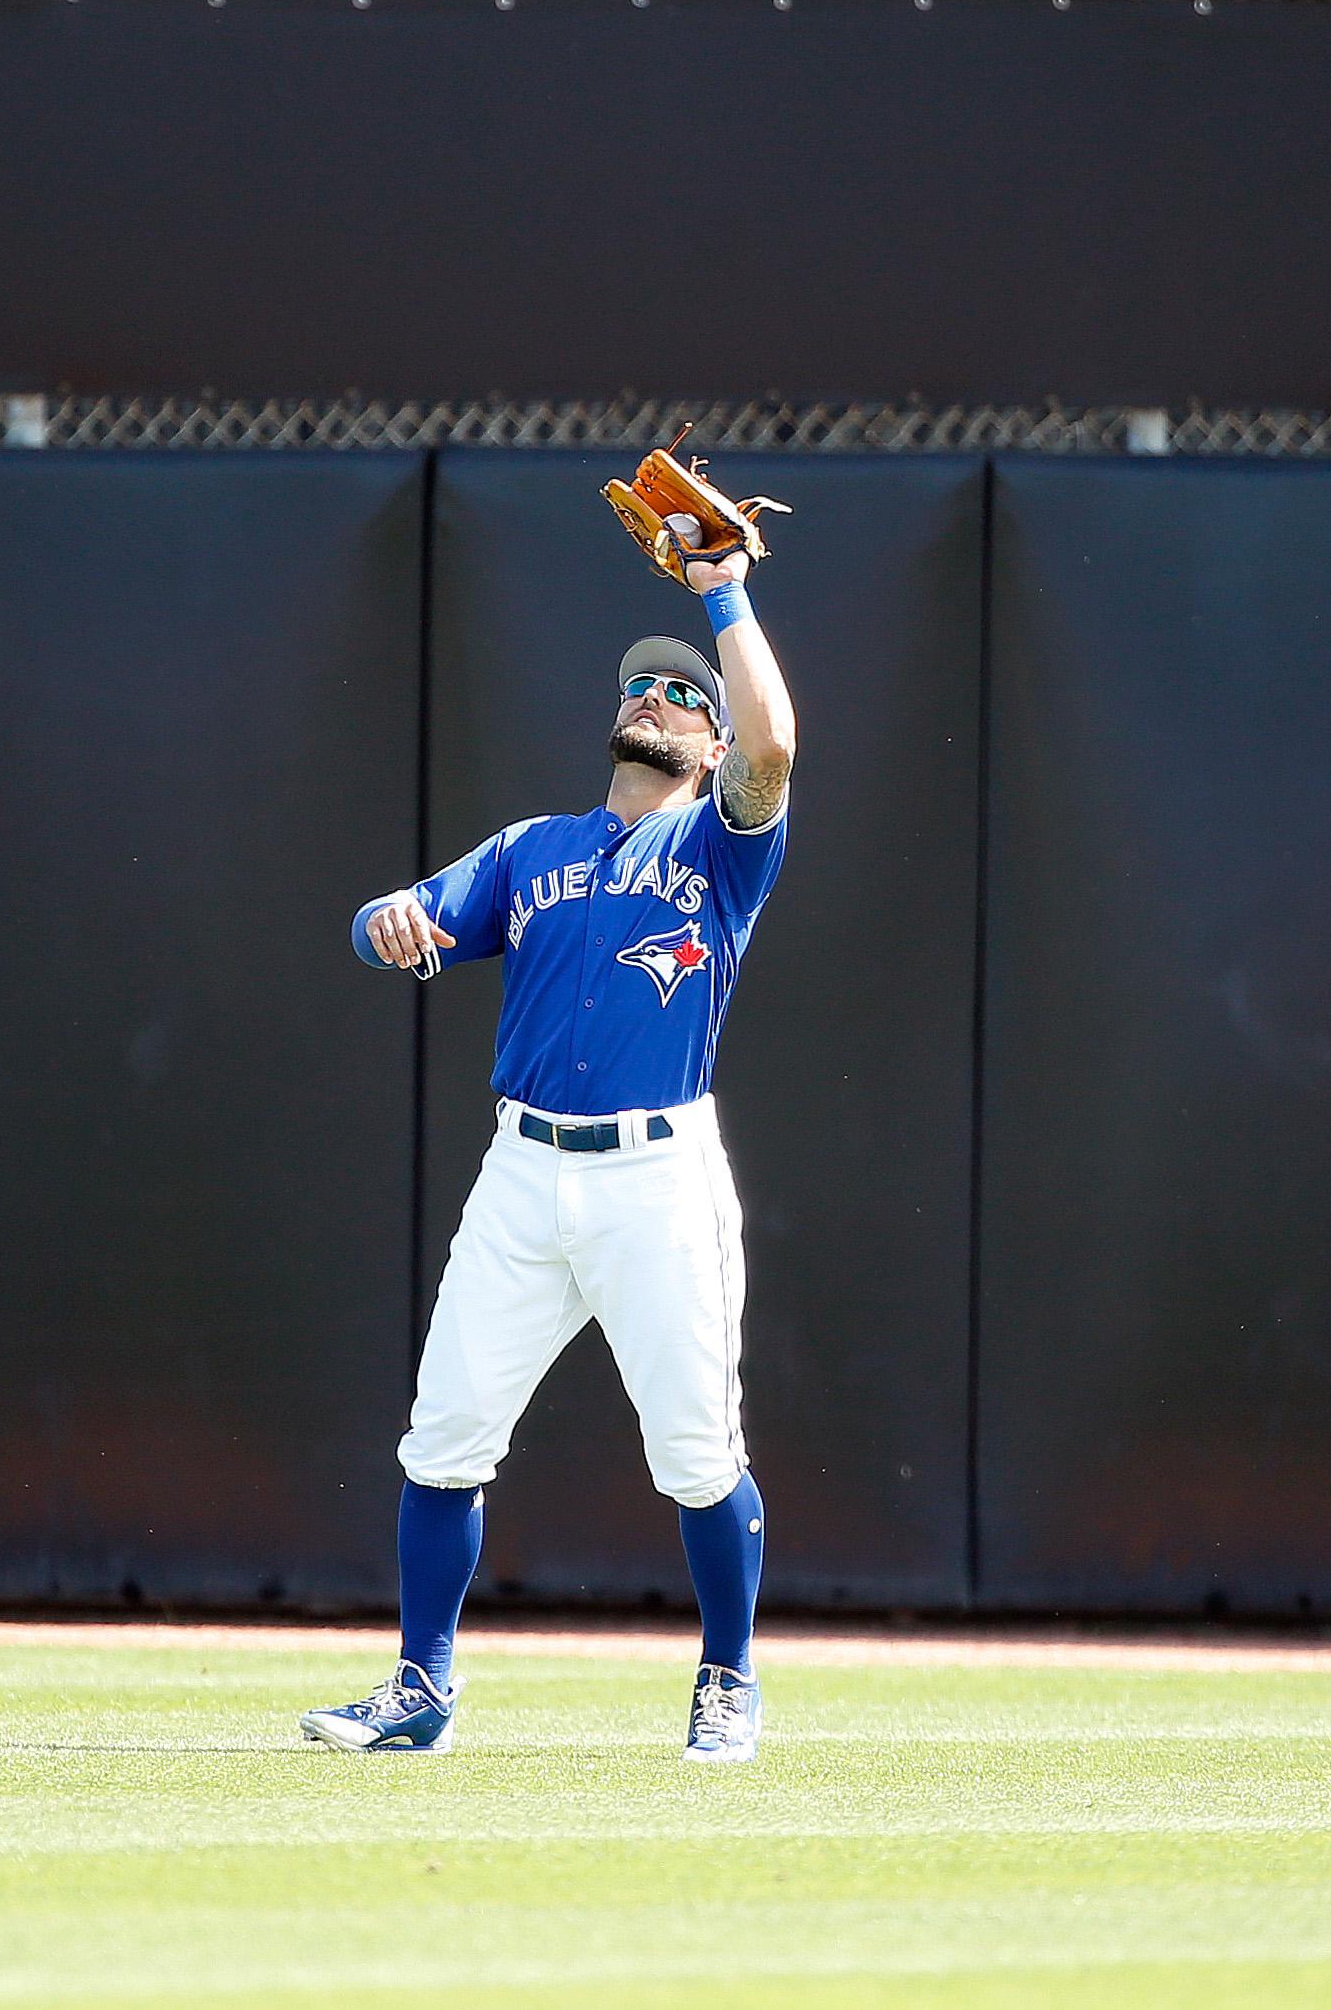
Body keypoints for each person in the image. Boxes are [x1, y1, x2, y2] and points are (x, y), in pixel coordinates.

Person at [301, 544, 795, 1763]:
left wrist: (722, 595)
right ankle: (420, 1688)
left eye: (686, 696)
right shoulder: (533, 848)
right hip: (522, 1168)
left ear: (711, 746)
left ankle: (727, 1676)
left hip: (655, 1174)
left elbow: (777, 746)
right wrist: (387, 925)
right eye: (642, 686)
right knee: (443, 1433)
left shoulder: (719, 855)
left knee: (692, 1448)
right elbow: (385, 922)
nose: (656, 699)